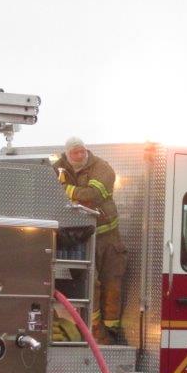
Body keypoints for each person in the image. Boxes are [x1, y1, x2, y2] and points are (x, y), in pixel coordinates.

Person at [55, 136, 128, 344]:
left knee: (112, 283)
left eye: (82, 151)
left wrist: (67, 190)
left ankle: (110, 331)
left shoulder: (102, 168)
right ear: (67, 155)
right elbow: (49, 193)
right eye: (75, 153)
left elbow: (93, 196)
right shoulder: (57, 168)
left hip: (108, 237)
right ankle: (95, 329)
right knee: (90, 285)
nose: (80, 155)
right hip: (78, 238)